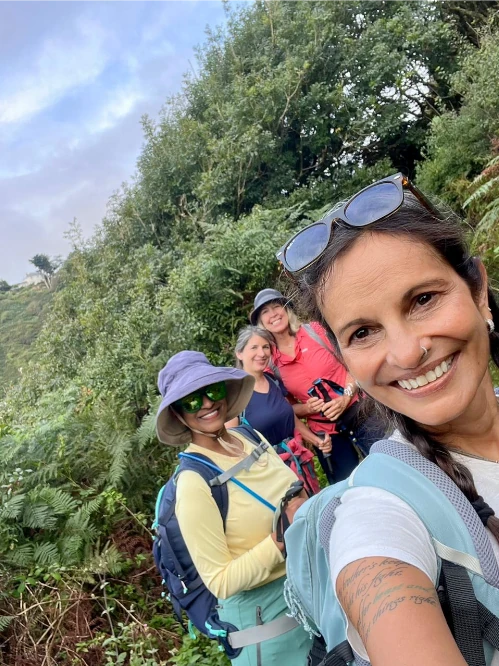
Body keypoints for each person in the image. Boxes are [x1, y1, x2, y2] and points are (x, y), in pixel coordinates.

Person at [277, 172, 499, 665]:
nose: (406, 352)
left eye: (422, 300)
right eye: (363, 333)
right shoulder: (376, 513)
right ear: (344, 356)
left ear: (478, 290)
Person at [155, 351, 313, 666]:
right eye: (191, 401)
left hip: (309, 593)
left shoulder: (249, 435)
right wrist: (279, 541)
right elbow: (220, 581)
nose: (206, 404)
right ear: (177, 414)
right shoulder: (194, 483)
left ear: (224, 391)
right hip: (266, 628)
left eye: (211, 391)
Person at [250, 288, 363, 484]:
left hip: (360, 412)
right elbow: (285, 409)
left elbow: (354, 363)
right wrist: (307, 408)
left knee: (393, 465)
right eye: (265, 312)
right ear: (261, 323)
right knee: (348, 489)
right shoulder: (270, 363)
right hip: (326, 433)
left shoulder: (316, 331)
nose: (273, 314)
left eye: (277, 306)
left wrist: (345, 397)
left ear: (287, 310)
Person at [227, 325, 330, 494]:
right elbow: (231, 446)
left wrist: (316, 440)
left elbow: (289, 417)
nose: (261, 353)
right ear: (240, 353)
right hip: (268, 477)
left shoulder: (272, 380)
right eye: (254, 347)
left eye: (265, 347)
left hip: (298, 464)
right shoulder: (235, 394)